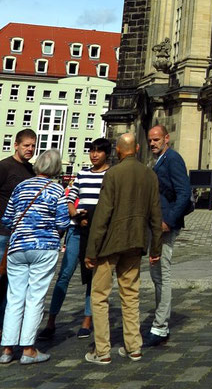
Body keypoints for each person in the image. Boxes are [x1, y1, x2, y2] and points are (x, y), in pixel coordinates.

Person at [84, 132, 162, 365]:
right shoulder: (150, 174)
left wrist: (91, 250)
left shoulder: (113, 173)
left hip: (110, 243)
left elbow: (102, 214)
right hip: (136, 242)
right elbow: (156, 216)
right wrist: (155, 247)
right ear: (137, 148)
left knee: (99, 296)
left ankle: (102, 351)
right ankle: (134, 348)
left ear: (118, 151)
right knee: (130, 295)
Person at [0, 148, 70, 365]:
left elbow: (7, 219)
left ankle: (7, 348)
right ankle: (29, 348)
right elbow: (62, 222)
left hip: (18, 246)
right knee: (35, 297)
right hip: (44, 247)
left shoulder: (21, 186)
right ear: (57, 168)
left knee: (14, 297)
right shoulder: (57, 190)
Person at [42, 137, 111, 340]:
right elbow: (70, 198)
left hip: (96, 233)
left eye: (98, 151)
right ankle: (51, 320)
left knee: (92, 276)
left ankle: (87, 320)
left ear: (106, 153)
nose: (94, 155)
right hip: (76, 230)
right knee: (65, 274)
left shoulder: (110, 175)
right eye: (92, 151)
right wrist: (74, 214)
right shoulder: (81, 174)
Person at [146, 124, 191, 347]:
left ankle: (160, 326)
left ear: (166, 138)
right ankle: (159, 321)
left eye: (156, 139)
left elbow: (184, 192)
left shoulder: (173, 158)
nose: (152, 143)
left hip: (164, 225)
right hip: (154, 224)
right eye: (150, 140)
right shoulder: (158, 160)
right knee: (156, 274)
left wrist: (169, 220)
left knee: (162, 273)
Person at [0, 128, 36, 327]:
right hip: (1, 232)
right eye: (26, 145)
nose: (30, 149)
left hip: (19, 236)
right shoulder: (4, 167)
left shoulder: (30, 171)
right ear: (16, 145)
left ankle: (3, 324)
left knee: (11, 283)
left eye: (33, 145)